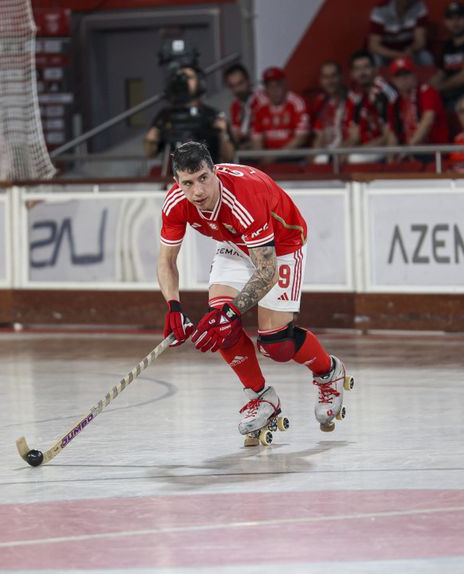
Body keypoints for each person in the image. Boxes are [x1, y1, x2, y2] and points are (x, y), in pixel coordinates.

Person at [157, 141, 352, 444]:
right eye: (188, 183)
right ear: (176, 182)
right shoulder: (175, 203)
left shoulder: (244, 198)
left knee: (277, 345)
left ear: (214, 171)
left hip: (282, 245)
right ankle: (261, 397)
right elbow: (166, 261)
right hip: (234, 244)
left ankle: (329, 372)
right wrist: (173, 306)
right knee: (222, 327)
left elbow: (267, 271)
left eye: (204, 178)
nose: (198, 191)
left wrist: (230, 313)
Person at [144, 65, 234, 164]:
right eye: (179, 77)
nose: (183, 81)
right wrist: (151, 139)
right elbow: (149, 154)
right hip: (176, 172)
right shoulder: (166, 116)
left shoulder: (211, 115)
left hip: (207, 171)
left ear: (199, 82)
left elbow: (228, 157)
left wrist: (222, 134)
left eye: (188, 77)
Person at [384, 56, 448, 158]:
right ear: (393, 80)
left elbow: (427, 121)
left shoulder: (427, 92)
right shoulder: (394, 103)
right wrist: (390, 159)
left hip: (432, 151)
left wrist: (408, 148)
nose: (403, 79)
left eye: (406, 74)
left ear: (414, 74)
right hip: (409, 153)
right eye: (398, 75)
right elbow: (393, 135)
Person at [249, 67, 311, 159]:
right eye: (270, 86)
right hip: (267, 157)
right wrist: (261, 158)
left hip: (292, 157)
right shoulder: (260, 107)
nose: (274, 90)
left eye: (278, 85)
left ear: (285, 85)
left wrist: (275, 157)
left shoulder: (296, 103)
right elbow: (256, 140)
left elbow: (301, 138)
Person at [428, 1, 464, 109]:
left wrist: (442, 86)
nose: (455, 22)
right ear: (445, 22)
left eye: (459, 18)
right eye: (451, 19)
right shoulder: (448, 46)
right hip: (448, 94)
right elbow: (441, 72)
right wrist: (429, 87)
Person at [349, 49, 398, 161]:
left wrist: (361, 149)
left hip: (391, 147)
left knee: (354, 158)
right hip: (370, 147)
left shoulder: (383, 92)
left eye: (366, 67)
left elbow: (390, 134)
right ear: (352, 74)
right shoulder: (358, 97)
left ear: (375, 69)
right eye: (357, 69)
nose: (362, 72)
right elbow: (355, 136)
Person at [309, 61, 358, 160]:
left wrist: (339, 153)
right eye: (326, 77)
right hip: (328, 153)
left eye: (333, 76)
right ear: (321, 80)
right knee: (318, 159)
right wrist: (313, 155)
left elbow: (355, 138)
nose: (330, 81)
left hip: (346, 152)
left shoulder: (353, 100)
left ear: (341, 77)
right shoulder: (320, 102)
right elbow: (320, 137)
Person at [367, 0, 434, 66]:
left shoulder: (419, 6)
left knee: (426, 57)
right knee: (376, 59)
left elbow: (420, 41)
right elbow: (374, 46)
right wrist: (400, 55)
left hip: (409, 51)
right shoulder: (381, 10)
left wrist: (411, 49)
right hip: (387, 52)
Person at [223, 63, 268, 148]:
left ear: (248, 80)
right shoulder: (235, 105)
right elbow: (237, 135)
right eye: (232, 86)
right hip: (247, 149)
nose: (237, 89)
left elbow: (267, 136)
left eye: (240, 83)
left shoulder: (263, 101)